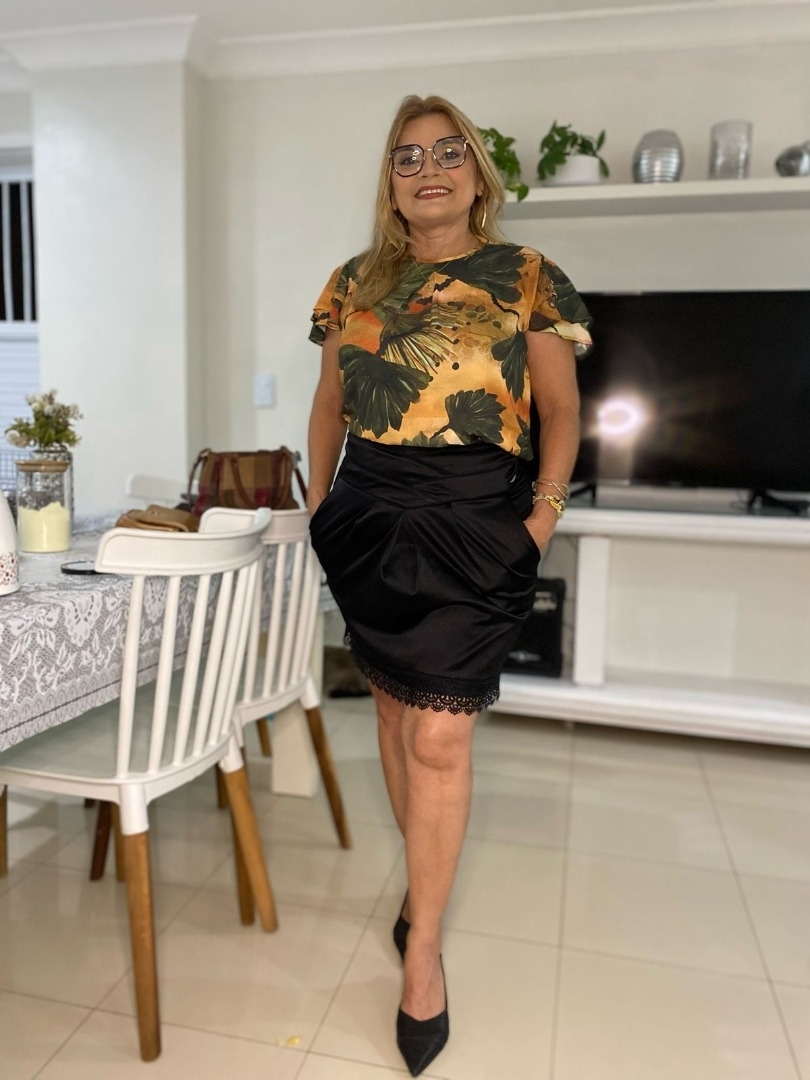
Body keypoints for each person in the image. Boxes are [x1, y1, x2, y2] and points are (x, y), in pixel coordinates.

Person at [306, 93, 591, 1076]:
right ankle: (421, 897)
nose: (428, 170)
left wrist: (539, 523)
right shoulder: (354, 281)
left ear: (477, 173)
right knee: (393, 716)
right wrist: (319, 507)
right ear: (390, 183)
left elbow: (560, 411)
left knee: (437, 733)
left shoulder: (526, 276)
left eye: (448, 152)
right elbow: (330, 406)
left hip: (478, 521)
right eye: (407, 157)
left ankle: (422, 948)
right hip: (368, 517)